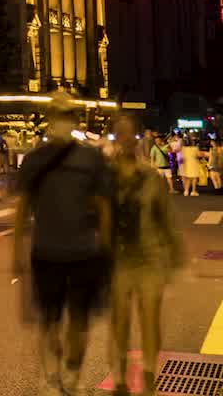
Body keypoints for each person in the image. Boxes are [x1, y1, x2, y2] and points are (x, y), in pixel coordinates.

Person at [13, 98, 114, 396]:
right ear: (49, 119)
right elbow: (22, 209)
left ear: (75, 120)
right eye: (57, 115)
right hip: (46, 252)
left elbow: (103, 206)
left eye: (67, 115)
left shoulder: (91, 159)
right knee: (49, 321)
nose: (62, 120)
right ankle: (49, 376)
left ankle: (72, 373)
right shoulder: (35, 159)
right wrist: (16, 252)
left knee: (79, 322)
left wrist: (106, 248)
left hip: (85, 252)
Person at [107, 114, 186, 396]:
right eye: (120, 134)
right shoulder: (105, 178)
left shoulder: (151, 176)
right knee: (120, 320)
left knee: (150, 317)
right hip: (117, 260)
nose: (126, 139)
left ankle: (150, 373)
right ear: (115, 138)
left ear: (137, 138)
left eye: (130, 134)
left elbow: (166, 219)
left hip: (150, 257)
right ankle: (119, 378)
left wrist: (177, 256)